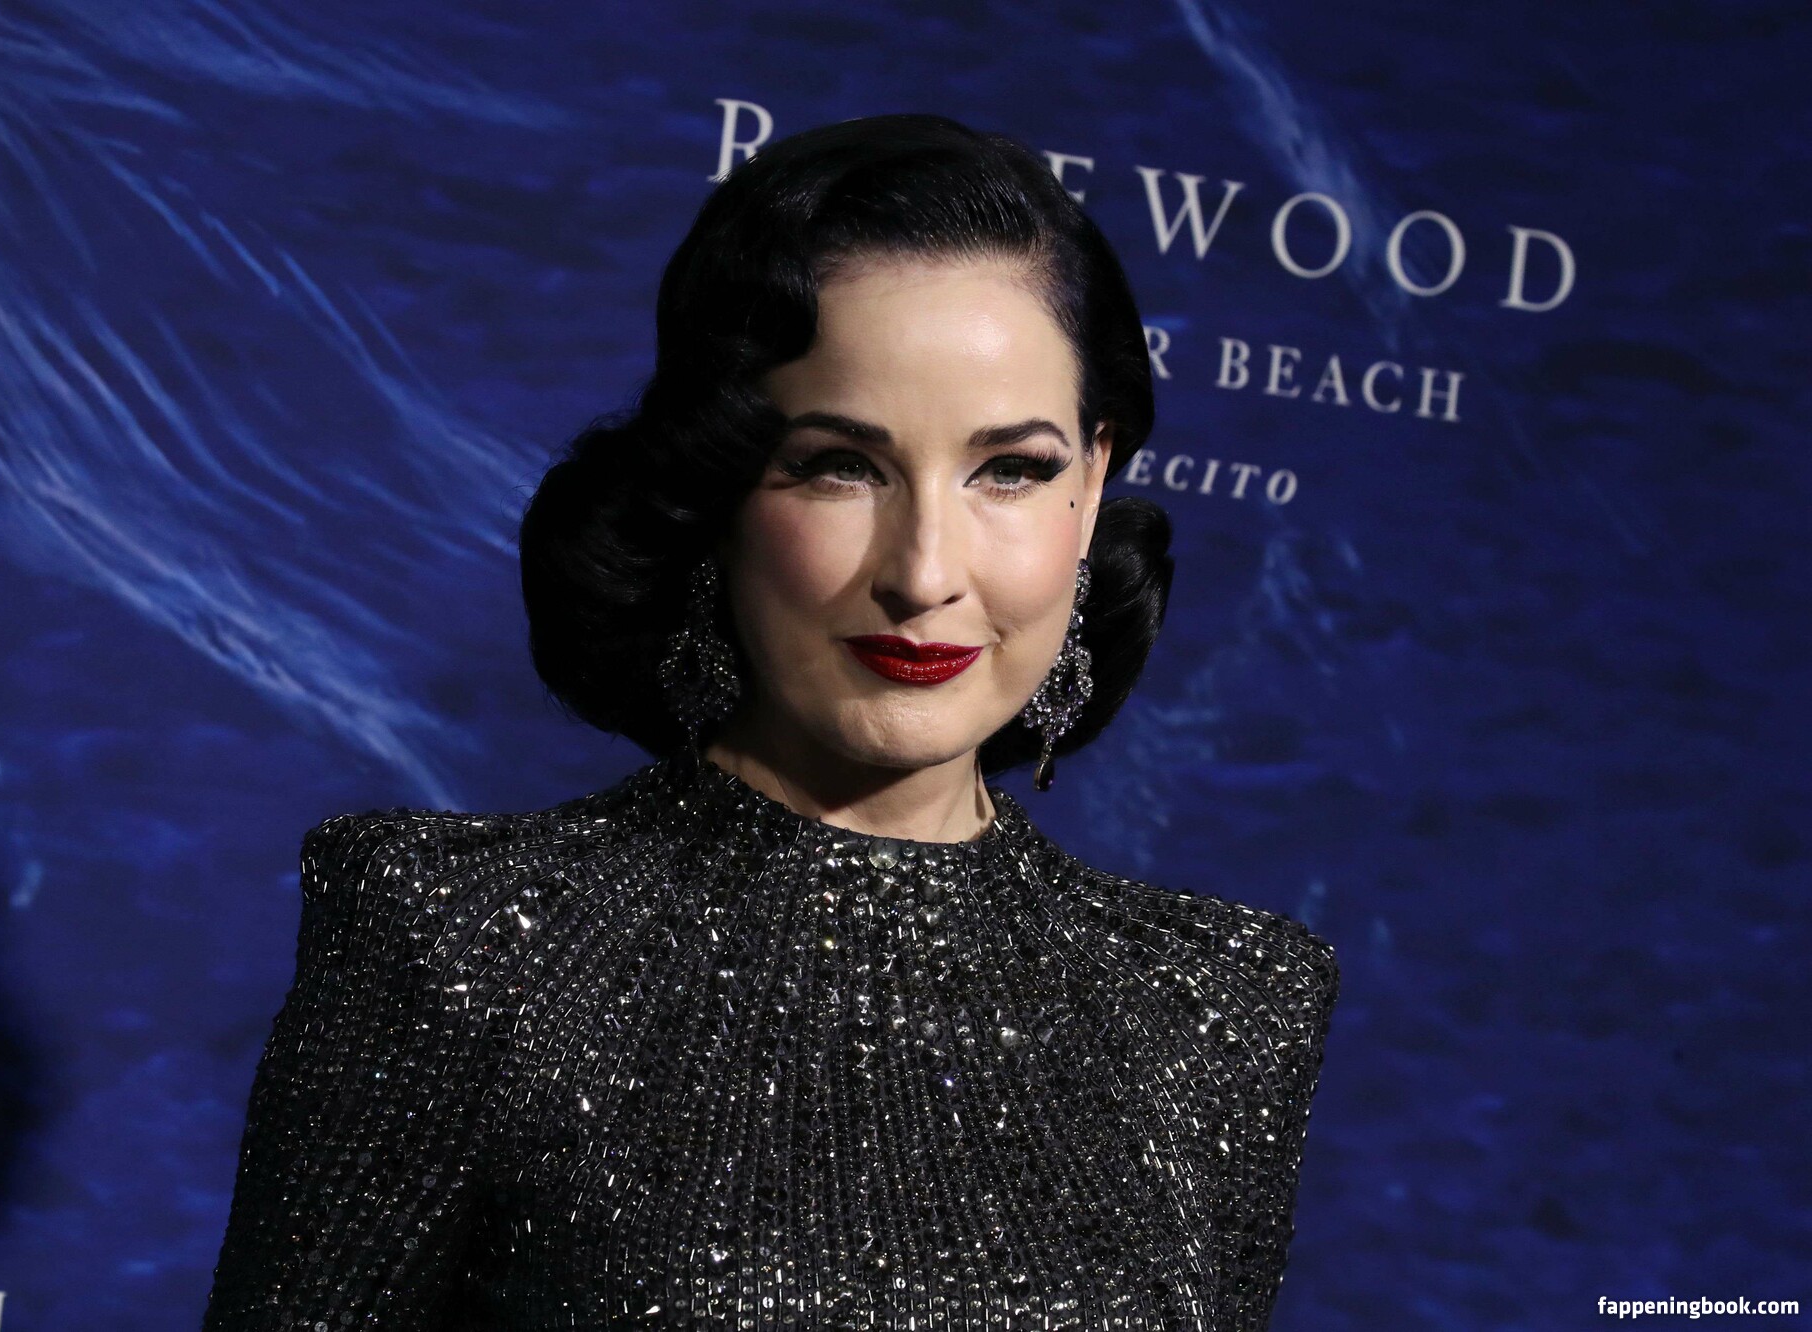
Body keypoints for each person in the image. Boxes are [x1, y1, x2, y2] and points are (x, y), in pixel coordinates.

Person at [202, 113, 1339, 1331]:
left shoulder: (1223, 1010)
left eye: (1009, 470)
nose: (925, 573)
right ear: (720, 485)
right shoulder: (460, 949)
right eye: (841, 465)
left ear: (1095, 478)